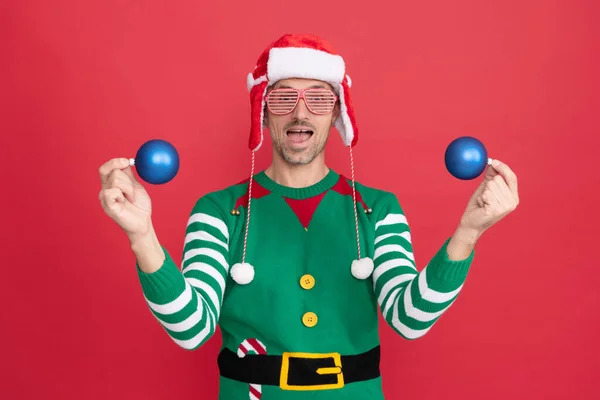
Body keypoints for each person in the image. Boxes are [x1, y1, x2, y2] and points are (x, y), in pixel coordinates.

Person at [98, 34, 519, 399]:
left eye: (318, 98)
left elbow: (409, 319)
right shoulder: (218, 211)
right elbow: (190, 328)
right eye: (283, 98)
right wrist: (142, 235)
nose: (301, 114)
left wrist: (468, 233)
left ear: (337, 113)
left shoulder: (378, 209)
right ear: (263, 111)